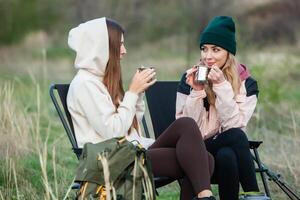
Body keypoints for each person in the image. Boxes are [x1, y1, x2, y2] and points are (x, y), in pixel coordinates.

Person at [67, 17, 215, 200]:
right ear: (102, 47)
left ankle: (205, 196)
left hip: (128, 153)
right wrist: (132, 92)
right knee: (202, 160)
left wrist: (138, 95)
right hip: (111, 161)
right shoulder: (84, 84)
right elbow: (113, 131)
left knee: (187, 128)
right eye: (119, 44)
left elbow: (130, 127)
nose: (124, 51)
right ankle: (206, 197)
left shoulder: (101, 80)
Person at [176, 16, 260, 200]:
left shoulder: (248, 84)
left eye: (216, 50)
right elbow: (188, 128)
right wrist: (197, 91)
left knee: (227, 154)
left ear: (228, 53)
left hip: (225, 150)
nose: (208, 56)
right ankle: (254, 194)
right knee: (238, 137)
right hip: (194, 150)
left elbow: (233, 125)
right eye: (204, 49)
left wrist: (221, 86)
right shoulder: (189, 80)